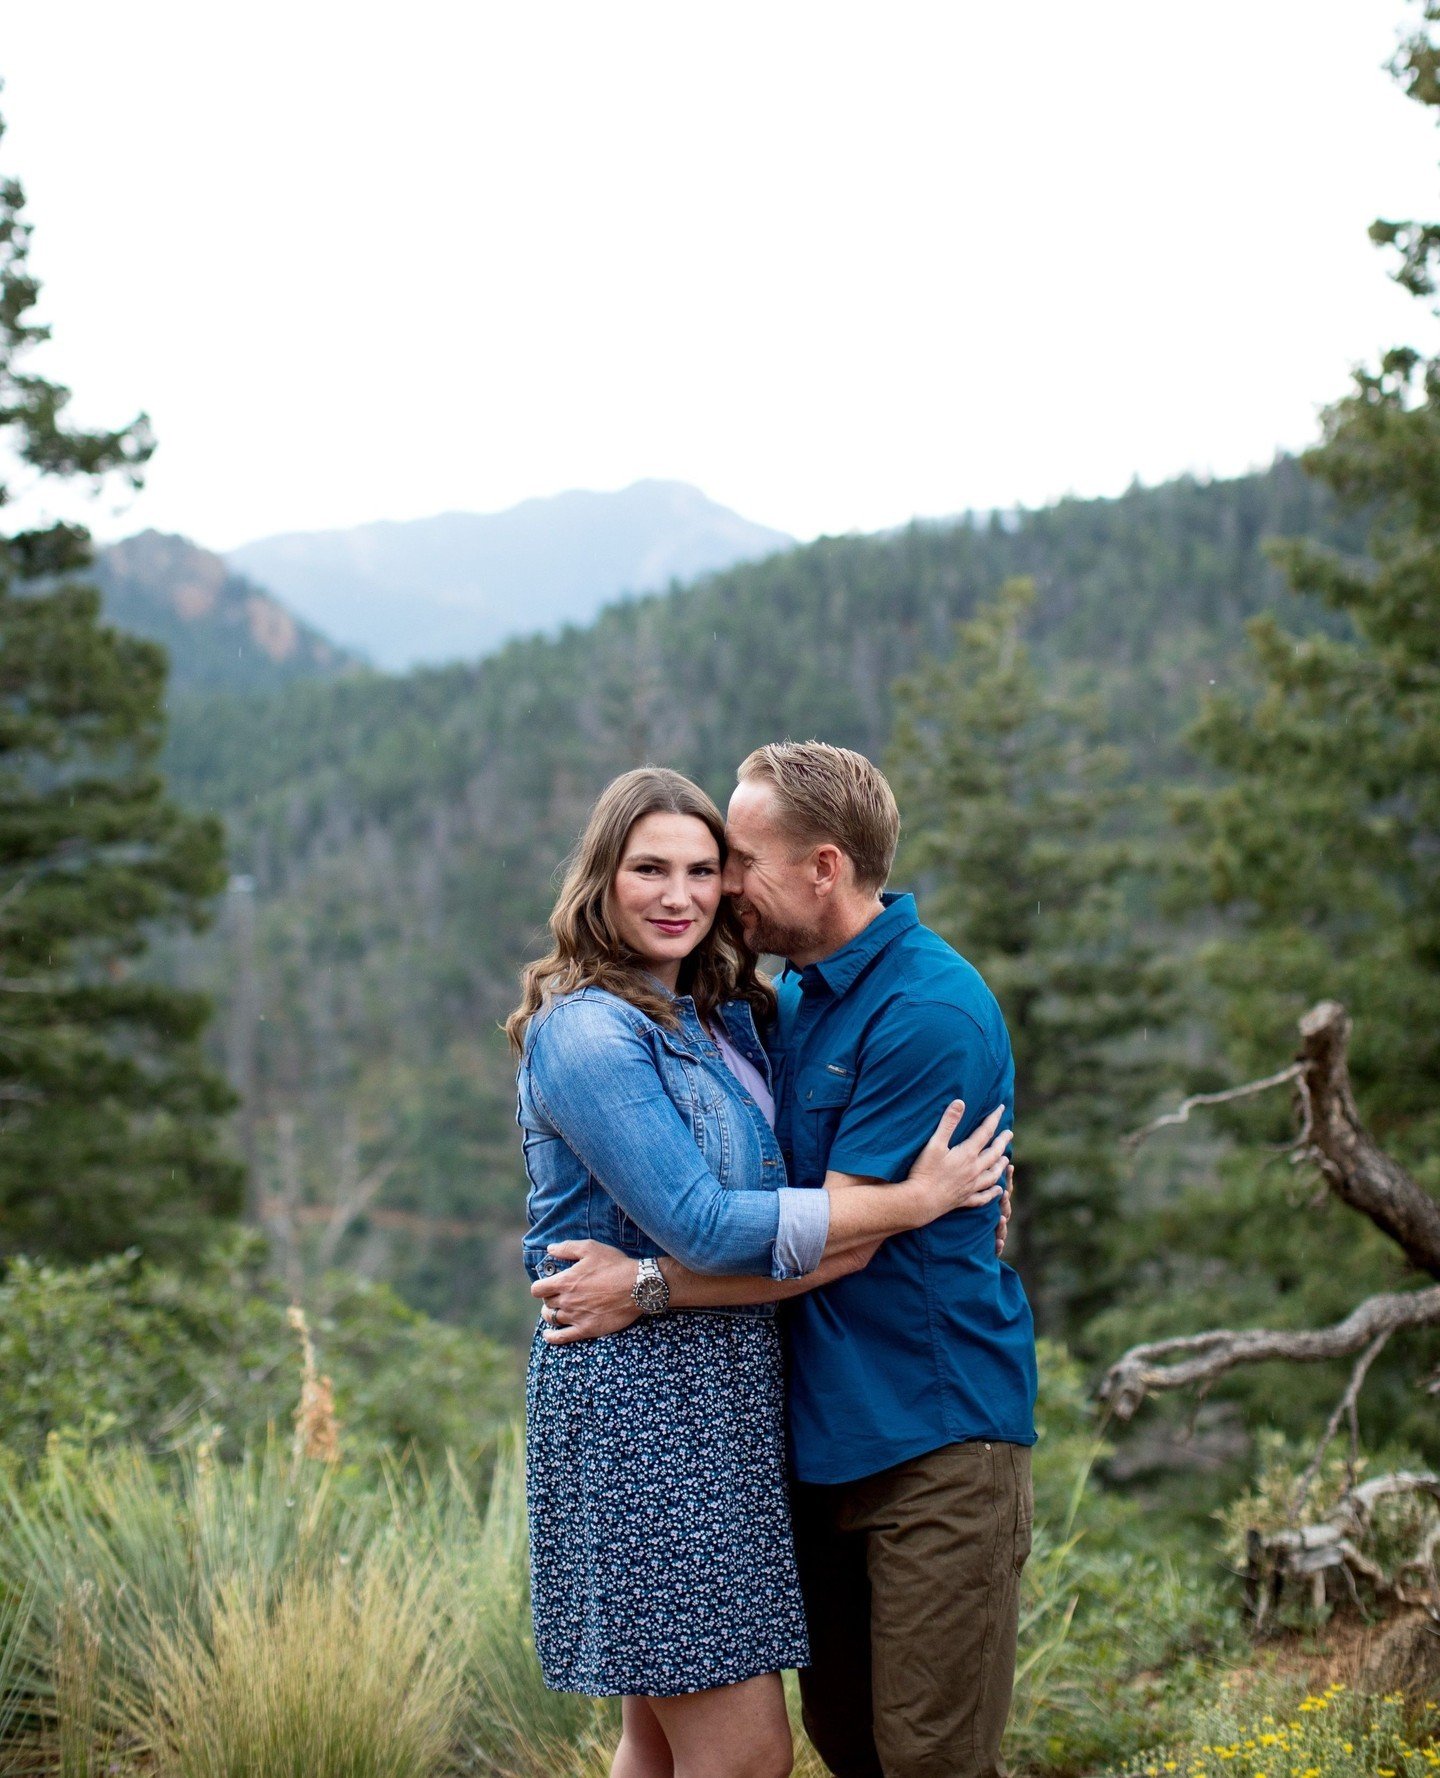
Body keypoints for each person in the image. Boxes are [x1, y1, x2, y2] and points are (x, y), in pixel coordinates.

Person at [532, 743, 1037, 1778]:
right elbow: (736, 1206)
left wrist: (644, 1285)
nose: (709, 890)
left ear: (823, 868)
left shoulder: (920, 1008)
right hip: (775, 1430)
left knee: (920, 1757)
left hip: (925, 1430)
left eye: (727, 861)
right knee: (837, 1741)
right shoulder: (772, 1002)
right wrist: (918, 1201)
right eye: (664, 867)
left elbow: (839, 1238)